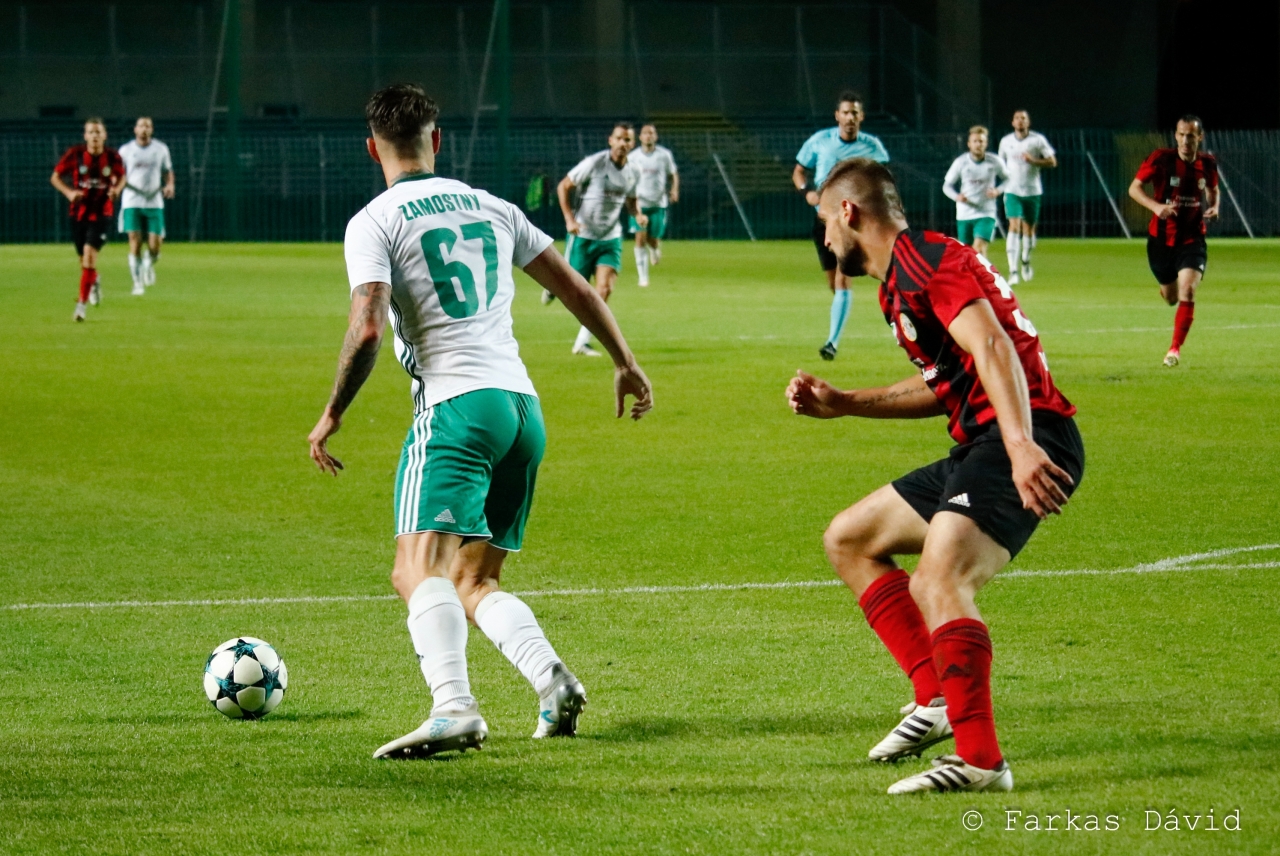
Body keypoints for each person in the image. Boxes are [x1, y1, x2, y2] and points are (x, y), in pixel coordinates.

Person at [307, 84, 654, 759]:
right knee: (473, 578)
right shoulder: (493, 206)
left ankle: (453, 708)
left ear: (371, 148)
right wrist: (625, 361)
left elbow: (368, 327)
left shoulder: (374, 221)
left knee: (417, 570)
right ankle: (552, 682)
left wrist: (331, 413)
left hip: (457, 411)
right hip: (523, 412)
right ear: (437, 141)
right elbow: (574, 287)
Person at [786, 157, 1083, 794]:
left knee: (939, 576)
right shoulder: (897, 281)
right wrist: (844, 403)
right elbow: (946, 384)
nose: (824, 238)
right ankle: (938, 700)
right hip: (987, 439)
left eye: (823, 221)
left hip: (1026, 436)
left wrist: (1023, 445)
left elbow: (993, 345)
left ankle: (981, 761)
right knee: (850, 538)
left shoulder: (923, 259)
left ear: (848, 212)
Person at [793, 91, 891, 361]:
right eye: (846, 112)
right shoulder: (820, 141)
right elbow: (799, 171)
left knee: (843, 279)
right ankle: (844, 311)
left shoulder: (873, 146)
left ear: (862, 117)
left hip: (852, 222)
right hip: (824, 221)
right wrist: (807, 192)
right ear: (837, 116)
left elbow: (884, 178)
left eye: (855, 113)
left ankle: (832, 343)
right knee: (834, 284)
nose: (850, 117)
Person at [1128, 115, 1219, 367]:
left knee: (1187, 289)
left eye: (1191, 135)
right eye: (1181, 134)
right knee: (1170, 298)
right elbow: (1134, 188)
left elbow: (1213, 190)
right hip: (1161, 240)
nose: (1185, 140)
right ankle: (1168, 290)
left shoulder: (1208, 164)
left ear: (1199, 137)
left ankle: (1174, 349)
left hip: (1192, 238)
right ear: (1176, 135)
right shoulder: (1161, 159)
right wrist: (1155, 206)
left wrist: (1214, 207)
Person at [550, 123, 645, 356]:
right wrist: (569, 220)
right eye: (620, 139)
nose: (624, 144)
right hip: (584, 235)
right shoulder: (594, 163)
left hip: (610, 237)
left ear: (633, 144)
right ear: (610, 140)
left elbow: (631, 201)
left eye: (628, 140)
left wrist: (638, 214)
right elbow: (563, 186)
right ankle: (553, 287)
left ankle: (582, 341)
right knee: (573, 290)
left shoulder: (635, 170)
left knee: (603, 288)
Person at [51, 118, 125, 321]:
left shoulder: (112, 157)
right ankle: (94, 279)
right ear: (85, 136)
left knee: (89, 256)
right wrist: (68, 193)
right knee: (83, 261)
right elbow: (55, 176)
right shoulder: (75, 154)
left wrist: (116, 190)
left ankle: (80, 307)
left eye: (98, 132)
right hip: (78, 213)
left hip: (102, 213)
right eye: (91, 132)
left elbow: (122, 177)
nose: (95, 136)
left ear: (104, 135)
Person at [118, 117, 175, 295]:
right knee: (134, 241)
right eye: (141, 126)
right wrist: (117, 187)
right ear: (135, 129)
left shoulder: (160, 149)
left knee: (155, 245)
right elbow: (119, 174)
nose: (144, 129)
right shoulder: (126, 150)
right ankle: (137, 283)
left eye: (148, 126)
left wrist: (170, 185)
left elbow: (168, 171)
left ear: (152, 129)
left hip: (153, 199)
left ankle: (149, 263)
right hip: (132, 199)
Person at [997, 111, 1056, 283]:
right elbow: (1000, 165)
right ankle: (1013, 271)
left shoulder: (1037, 140)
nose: (1020, 121)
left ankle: (1026, 261)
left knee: (1029, 229)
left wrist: (1034, 161)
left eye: (1023, 118)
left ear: (1028, 122)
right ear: (1012, 122)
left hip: (1033, 191)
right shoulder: (1006, 141)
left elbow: (1052, 161)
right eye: (1017, 118)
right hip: (1012, 190)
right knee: (1014, 225)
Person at [942, 126, 1008, 260]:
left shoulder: (995, 161)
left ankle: (984, 280)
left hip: (986, 212)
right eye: (975, 141)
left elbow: (1008, 179)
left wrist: (998, 190)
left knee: (979, 247)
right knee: (966, 253)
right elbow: (946, 186)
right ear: (969, 144)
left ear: (986, 143)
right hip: (965, 213)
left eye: (981, 141)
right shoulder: (961, 162)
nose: (978, 144)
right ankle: (975, 279)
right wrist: (957, 197)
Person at [628, 124, 679, 288]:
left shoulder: (664, 155)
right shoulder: (633, 156)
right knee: (640, 238)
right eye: (645, 133)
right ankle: (643, 278)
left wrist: (674, 189)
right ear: (640, 137)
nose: (648, 136)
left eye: (651, 133)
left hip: (658, 204)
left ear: (655, 137)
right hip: (639, 203)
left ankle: (655, 249)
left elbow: (673, 174)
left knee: (653, 240)